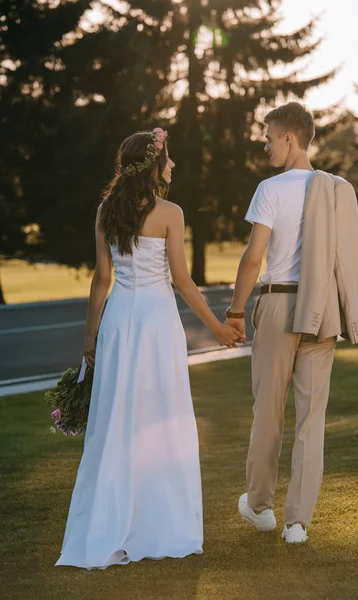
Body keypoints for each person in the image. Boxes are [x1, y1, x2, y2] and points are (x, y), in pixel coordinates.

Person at [55, 127, 243, 569]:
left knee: (118, 418)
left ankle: (111, 524)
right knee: (160, 416)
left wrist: (90, 339)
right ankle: (158, 525)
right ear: (153, 165)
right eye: (168, 159)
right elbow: (182, 281)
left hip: (119, 322)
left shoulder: (107, 210)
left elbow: (102, 279)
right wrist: (217, 327)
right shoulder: (171, 213)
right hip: (157, 322)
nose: (173, 166)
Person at [225, 102, 358, 544]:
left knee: (268, 412)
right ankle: (297, 523)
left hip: (277, 308)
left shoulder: (270, 189)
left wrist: (235, 313)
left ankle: (259, 506)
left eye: (269, 137)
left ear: (289, 138)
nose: (266, 145)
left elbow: (254, 258)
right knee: (312, 418)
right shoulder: (336, 189)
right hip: (321, 310)